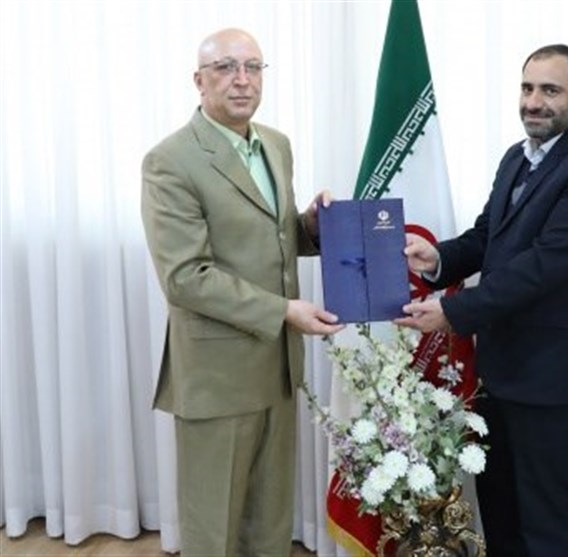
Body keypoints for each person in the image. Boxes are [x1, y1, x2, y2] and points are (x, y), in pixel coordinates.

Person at [397, 44, 568, 556]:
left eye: (550, 90)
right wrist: (436, 259)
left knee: (549, 524)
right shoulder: (516, 158)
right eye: (527, 88)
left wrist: (453, 312)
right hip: (496, 373)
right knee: (501, 516)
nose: (533, 101)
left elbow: (545, 266)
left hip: (550, 378)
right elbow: (488, 237)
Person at [141, 28, 344, 556]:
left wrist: (313, 227)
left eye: (253, 67)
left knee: (270, 525)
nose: (242, 80)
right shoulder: (170, 160)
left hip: (277, 367)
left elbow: (276, 237)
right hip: (217, 376)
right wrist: (285, 311)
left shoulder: (275, 145)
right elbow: (185, 276)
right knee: (214, 528)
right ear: (199, 80)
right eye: (227, 67)